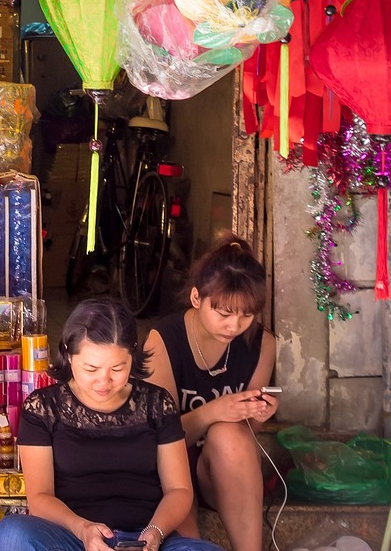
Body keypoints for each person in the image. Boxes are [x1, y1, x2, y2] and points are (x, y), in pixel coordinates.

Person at [0, 298, 222, 551]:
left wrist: (154, 533)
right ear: (68, 354)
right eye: (91, 369)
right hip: (74, 538)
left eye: (118, 368)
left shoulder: (158, 403)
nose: (104, 381)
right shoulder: (43, 407)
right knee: (11, 534)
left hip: (147, 539)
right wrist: (83, 529)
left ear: (132, 357)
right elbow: (39, 498)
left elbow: (179, 490)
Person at [143, 235, 277, 551]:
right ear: (196, 297)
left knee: (229, 435)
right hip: (170, 467)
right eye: (224, 313)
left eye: (246, 315)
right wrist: (212, 412)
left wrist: (257, 414)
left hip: (223, 471)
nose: (235, 325)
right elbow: (156, 438)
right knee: (186, 536)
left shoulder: (263, 344)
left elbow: (244, 438)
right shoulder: (164, 339)